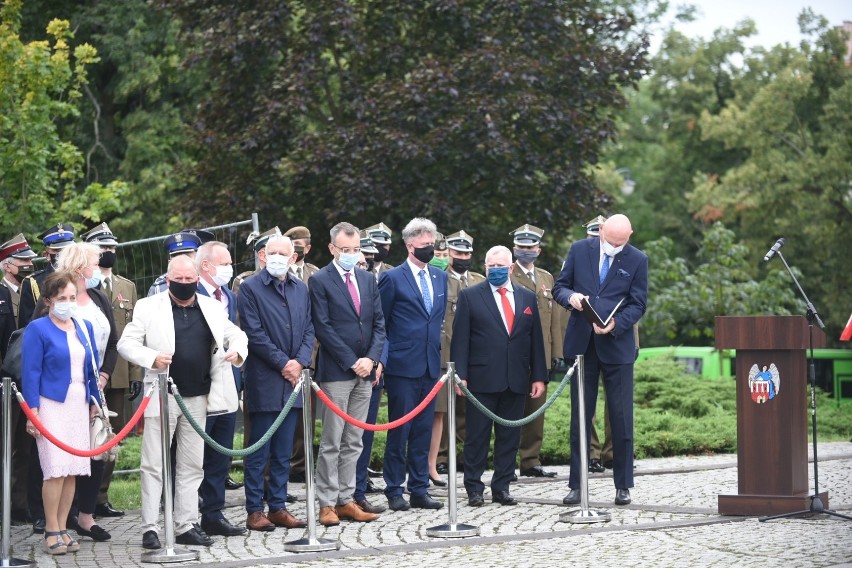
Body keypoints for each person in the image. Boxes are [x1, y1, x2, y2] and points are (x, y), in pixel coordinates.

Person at [118, 255, 248, 550]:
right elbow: (126, 344)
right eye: (180, 279)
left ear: (197, 280)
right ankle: (150, 527)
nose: (186, 284)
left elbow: (237, 334)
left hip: (200, 397)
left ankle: (185, 524)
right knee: (154, 464)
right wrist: (151, 358)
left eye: (191, 280)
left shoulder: (212, 308)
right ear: (168, 279)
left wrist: (236, 352)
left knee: (192, 465)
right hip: (162, 395)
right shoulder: (148, 307)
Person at [553, 213, 648, 506]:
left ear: (629, 236)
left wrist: (616, 324)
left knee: (620, 417)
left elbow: (638, 303)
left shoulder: (637, 259)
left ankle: (623, 485)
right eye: (610, 242)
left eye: (621, 243)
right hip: (582, 343)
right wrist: (570, 298)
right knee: (580, 417)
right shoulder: (580, 249)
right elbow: (559, 287)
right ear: (601, 230)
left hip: (617, 346)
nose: (615, 247)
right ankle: (577, 484)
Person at [451, 245, 547, 506]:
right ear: (485, 267)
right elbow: (460, 340)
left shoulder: (527, 298)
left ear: (511, 268)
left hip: (516, 378)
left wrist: (539, 376)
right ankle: (474, 487)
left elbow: (535, 339)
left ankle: (502, 486)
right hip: (481, 380)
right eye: (490, 266)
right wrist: (460, 375)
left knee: (509, 437)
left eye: (500, 266)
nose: (495, 270)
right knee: (477, 436)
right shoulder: (471, 296)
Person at [310, 222, 386, 526]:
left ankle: (346, 498)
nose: (352, 255)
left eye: (355, 250)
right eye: (345, 250)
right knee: (332, 439)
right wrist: (353, 360)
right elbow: (323, 327)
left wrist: (371, 359)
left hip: (366, 372)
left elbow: (379, 323)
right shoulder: (320, 280)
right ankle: (326, 502)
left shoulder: (368, 280)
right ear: (332, 249)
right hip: (337, 372)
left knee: (354, 439)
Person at [21, 271, 103, 555]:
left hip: (78, 404)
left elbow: (92, 368)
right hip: (50, 404)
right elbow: (30, 372)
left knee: (72, 470)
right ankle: (51, 529)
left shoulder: (84, 327)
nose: (67, 303)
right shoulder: (38, 329)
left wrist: (95, 400)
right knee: (55, 470)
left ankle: (64, 527)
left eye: (71, 297)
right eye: (61, 298)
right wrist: (33, 411)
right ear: (48, 301)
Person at [237, 235, 312, 532]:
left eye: (284, 253)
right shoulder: (250, 288)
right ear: (263, 256)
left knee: (284, 450)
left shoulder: (300, 288)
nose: (278, 257)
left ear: (293, 258)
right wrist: (285, 364)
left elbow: (309, 328)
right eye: (273, 253)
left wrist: (300, 362)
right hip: (265, 379)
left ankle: (279, 506)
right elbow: (253, 334)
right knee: (259, 451)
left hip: (294, 380)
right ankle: (255, 509)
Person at [378, 217, 447, 511]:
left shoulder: (440, 277)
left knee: (422, 430)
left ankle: (419, 488)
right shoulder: (393, 278)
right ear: (409, 246)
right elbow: (381, 322)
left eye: (431, 245)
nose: (429, 249)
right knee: (400, 429)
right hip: (402, 365)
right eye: (424, 245)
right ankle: (394, 488)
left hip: (431, 365)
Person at [55, 242, 120, 542]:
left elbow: (112, 337)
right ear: (81, 266)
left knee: (96, 450)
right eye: (95, 263)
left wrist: (105, 374)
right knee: (63, 453)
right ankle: (53, 517)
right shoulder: (57, 297)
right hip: (64, 390)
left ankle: (86, 515)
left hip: (96, 386)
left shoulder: (97, 295)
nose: (99, 267)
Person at [18, 223, 75, 535]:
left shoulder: (78, 283)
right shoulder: (36, 283)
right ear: (48, 254)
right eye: (58, 252)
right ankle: (40, 513)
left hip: (74, 390)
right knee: (42, 456)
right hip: (47, 377)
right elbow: (28, 324)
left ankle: (66, 518)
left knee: (72, 462)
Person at [81, 222, 139, 518]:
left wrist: (135, 376)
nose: (109, 253)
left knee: (112, 437)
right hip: (88, 372)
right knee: (87, 437)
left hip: (117, 374)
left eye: (113, 248)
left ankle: (102, 496)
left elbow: (134, 333)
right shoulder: (81, 288)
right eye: (103, 248)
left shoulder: (126, 286)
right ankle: (84, 499)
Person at [193, 241, 248, 537]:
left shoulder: (227, 293)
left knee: (220, 454)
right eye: (224, 263)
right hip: (199, 386)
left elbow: (237, 333)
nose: (230, 268)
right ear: (206, 265)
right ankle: (189, 515)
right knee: (194, 454)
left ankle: (214, 513)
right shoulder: (189, 291)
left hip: (227, 382)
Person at [510, 224, 564, 478]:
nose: (525, 251)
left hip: (540, 354)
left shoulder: (546, 278)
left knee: (536, 410)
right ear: (514, 249)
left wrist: (557, 351)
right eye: (521, 247)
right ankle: (506, 462)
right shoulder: (507, 275)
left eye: (530, 247)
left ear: (538, 250)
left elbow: (553, 318)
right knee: (510, 410)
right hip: (513, 354)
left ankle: (531, 460)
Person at [433, 230, 485, 481]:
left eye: (466, 253)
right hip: (446, 352)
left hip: (475, 355)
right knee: (444, 409)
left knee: (469, 411)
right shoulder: (439, 279)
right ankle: (442, 458)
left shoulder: (478, 280)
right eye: (457, 253)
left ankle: (466, 457)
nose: (462, 257)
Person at [283, 225, 319, 484]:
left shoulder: (315, 274)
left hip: (311, 355)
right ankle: (288, 467)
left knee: (308, 415)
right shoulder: (279, 273)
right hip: (285, 359)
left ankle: (303, 464)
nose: (297, 250)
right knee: (288, 418)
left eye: (300, 246)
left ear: (307, 248)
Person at [0, 234, 30, 523]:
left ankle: (19, 504)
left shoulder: (31, 291)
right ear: (7, 265)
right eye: (23, 260)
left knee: (24, 444)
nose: (29, 264)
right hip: (4, 380)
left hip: (26, 379)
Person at [18, 223, 75, 329]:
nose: (63, 254)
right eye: (57, 250)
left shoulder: (82, 278)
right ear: (47, 255)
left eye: (67, 249)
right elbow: (25, 327)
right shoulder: (32, 283)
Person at [146, 229, 215, 296]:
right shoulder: (160, 288)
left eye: (187, 256)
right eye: (176, 256)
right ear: (169, 262)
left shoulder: (212, 280)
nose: (182, 260)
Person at [232, 226, 281, 298]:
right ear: (262, 255)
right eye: (274, 252)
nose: (280, 256)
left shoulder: (291, 278)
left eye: (282, 252)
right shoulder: (245, 281)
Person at [1, 233, 37, 319]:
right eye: (25, 260)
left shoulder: (35, 289)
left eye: (30, 260)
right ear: (7, 266)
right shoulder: (2, 294)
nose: (30, 264)